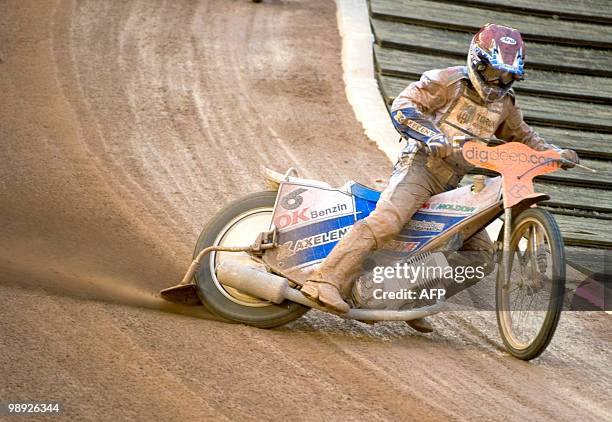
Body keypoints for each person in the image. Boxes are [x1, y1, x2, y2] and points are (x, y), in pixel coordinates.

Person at [300, 23, 579, 332]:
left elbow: (524, 136)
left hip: (453, 181)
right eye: (493, 73)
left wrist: (554, 153)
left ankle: (406, 298)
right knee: (388, 221)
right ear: (477, 61)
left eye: (508, 77)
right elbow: (404, 106)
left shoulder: (505, 104)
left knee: (482, 257)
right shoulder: (448, 81)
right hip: (420, 165)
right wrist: (431, 135)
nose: (498, 83)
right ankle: (323, 280)